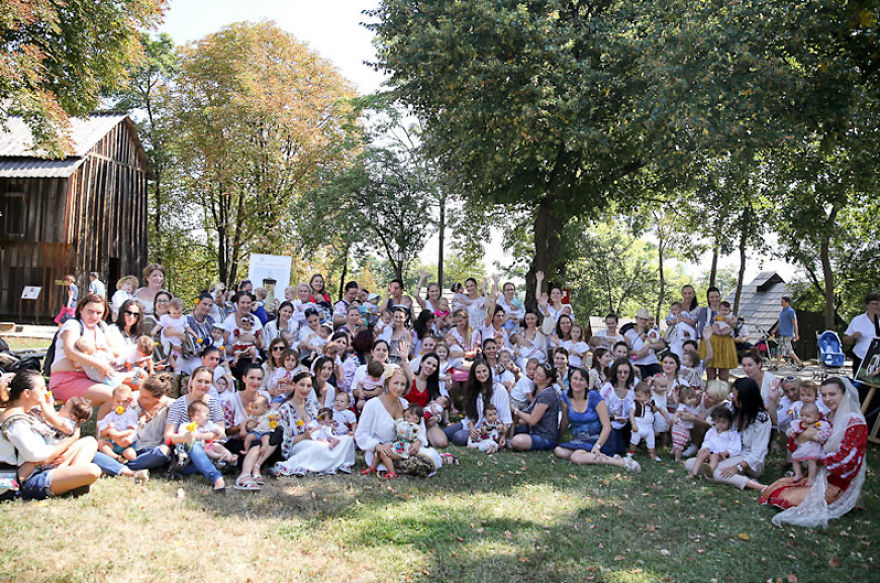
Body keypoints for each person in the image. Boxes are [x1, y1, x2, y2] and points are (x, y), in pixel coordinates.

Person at [760, 377, 868, 527]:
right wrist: (803, 437)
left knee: (790, 499)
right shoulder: (825, 417)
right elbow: (801, 441)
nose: (828, 399)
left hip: (839, 477)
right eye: (824, 395)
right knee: (774, 490)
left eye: (832, 394)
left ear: (844, 394)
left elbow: (850, 459)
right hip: (819, 471)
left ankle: (848, 496)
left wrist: (819, 459)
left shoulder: (854, 421)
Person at [0, 370, 102, 499]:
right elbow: (39, 457)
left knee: (90, 442)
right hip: (18, 483)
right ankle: (73, 481)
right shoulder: (16, 423)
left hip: (38, 468)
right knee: (92, 471)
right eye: (42, 388)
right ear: (27, 393)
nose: (46, 392)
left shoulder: (28, 412)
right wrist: (71, 440)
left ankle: (73, 482)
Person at [355, 364, 443, 477]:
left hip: (403, 449)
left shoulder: (405, 404)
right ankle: (391, 469)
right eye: (395, 383)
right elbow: (361, 434)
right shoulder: (372, 405)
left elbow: (419, 425)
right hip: (381, 453)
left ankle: (435, 460)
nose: (399, 387)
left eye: (402, 384)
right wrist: (378, 446)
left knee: (432, 455)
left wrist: (417, 442)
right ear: (388, 382)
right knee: (423, 463)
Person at [684, 377, 770, 491]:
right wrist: (706, 449)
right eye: (732, 395)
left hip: (748, 460)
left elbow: (758, 452)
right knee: (690, 464)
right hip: (725, 454)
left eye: (736, 397)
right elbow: (712, 424)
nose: (732, 398)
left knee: (713, 472)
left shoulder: (761, 419)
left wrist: (738, 467)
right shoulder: (730, 408)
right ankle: (739, 477)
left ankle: (757, 486)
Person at [269, 372, 356, 478]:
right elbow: (283, 439)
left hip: (320, 438)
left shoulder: (313, 404)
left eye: (308, 386)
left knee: (347, 440)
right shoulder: (285, 409)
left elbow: (324, 422)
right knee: (320, 447)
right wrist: (303, 436)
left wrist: (329, 426)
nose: (305, 389)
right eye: (302, 385)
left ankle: (332, 462)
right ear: (294, 385)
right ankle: (287, 466)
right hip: (299, 445)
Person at [553, 367, 640, 471]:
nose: (577, 382)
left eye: (581, 380)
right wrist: (557, 438)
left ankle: (622, 463)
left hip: (600, 438)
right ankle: (596, 456)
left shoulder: (594, 396)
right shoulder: (565, 397)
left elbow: (607, 426)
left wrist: (597, 446)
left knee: (576, 457)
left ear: (586, 384)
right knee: (559, 451)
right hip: (580, 439)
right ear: (570, 381)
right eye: (575, 379)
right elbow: (565, 421)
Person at [48, 294, 122, 406]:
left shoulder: (101, 327)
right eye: (90, 311)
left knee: (132, 389)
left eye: (98, 313)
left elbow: (117, 350)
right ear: (81, 309)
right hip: (67, 380)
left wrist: (105, 350)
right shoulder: (73, 325)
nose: (94, 316)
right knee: (114, 395)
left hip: (94, 377)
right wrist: (99, 365)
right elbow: (69, 351)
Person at [163, 367, 227, 493]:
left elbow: (220, 433)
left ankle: (182, 469)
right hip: (184, 448)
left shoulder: (214, 403)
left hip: (208, 448)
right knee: (192, 443)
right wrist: (185, 437)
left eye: (207, 382)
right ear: (191, 381)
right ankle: (216, 477)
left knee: (214, 452)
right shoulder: (179, 404)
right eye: (199, 381)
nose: (203, 385)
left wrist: (200, 436)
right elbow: (168, 436)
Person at [445, 359, 512, 446]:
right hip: (472, 425)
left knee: (458, 437)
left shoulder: (500, 390)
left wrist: (503, 436)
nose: (482, 374)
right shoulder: (473, 389)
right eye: (478, 372)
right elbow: (470, 415)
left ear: (489, 372)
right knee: (445, 433)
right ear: (474, 374)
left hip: (489, 430)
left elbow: (506, 419)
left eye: (484, 371)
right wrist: (471, 429)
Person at [510, 363, 560, 452]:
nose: (535, 376)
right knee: (507, 430)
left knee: (516, 441)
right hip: (532, 430)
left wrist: (515, 410)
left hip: (545, 437)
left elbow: (533, 420)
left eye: (539, 375)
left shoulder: (547, 394)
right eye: (536, 372)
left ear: (548, 380)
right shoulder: (537, 388)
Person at [786, 402, 832, 486]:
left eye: (808, 416)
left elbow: (827, 432)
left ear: (816, 417)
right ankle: (798, 473)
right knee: (794, 458)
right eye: (802, 415)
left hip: (814, 447)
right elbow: (793, 431)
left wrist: (818, 437)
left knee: (811, 461)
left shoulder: (819, 424)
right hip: (803, 447)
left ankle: (811, 479)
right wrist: (793, 433)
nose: (804, 418)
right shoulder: (799, 423)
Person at [843, 291, 880, 374]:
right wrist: (852, 337)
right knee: (860, 382)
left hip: (878, 359)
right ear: (867, 305)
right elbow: (845, 340)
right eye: (874, 304)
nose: (878, 306)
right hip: (860, 357)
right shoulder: (858, 320)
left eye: (879, 304)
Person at [626, 308, 665, 378]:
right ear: (636, 319)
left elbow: (662, 345)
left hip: (652, 362)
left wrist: (649, 346)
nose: (643, 321)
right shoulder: (629, 333)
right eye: (641, 319)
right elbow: (625, 351)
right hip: (637, 363)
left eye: (645, 319)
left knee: (659, 378)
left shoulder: (652, 332)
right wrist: (635, 352)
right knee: (643, 379)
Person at [776, 296, 804, 370]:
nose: (781, 303)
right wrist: (775, 329)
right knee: (789, 351)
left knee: (780, 349)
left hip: (787, 334)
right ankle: (800, 364)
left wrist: (796, 334)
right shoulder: (783, 311)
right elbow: (780, 322)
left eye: (782, 301)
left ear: (787, 302)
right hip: (782, 333)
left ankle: (776, 366)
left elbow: (795, 323)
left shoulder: (790, 311)